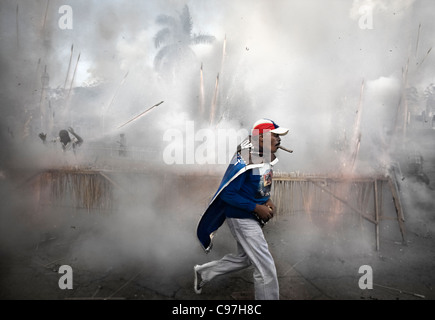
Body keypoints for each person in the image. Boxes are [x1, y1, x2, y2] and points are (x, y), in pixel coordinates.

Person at [194, 118, 289, 300]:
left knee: (245, 258)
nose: (279, 140)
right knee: (265, 268)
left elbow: (257, 185)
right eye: (275, 136)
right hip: (241, 217)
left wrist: (267, 200)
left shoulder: (264, 156)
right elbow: (228, 194)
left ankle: (203, 273)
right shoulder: (244, 159)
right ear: (261, 139)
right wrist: (256, 207)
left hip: (251, 216)